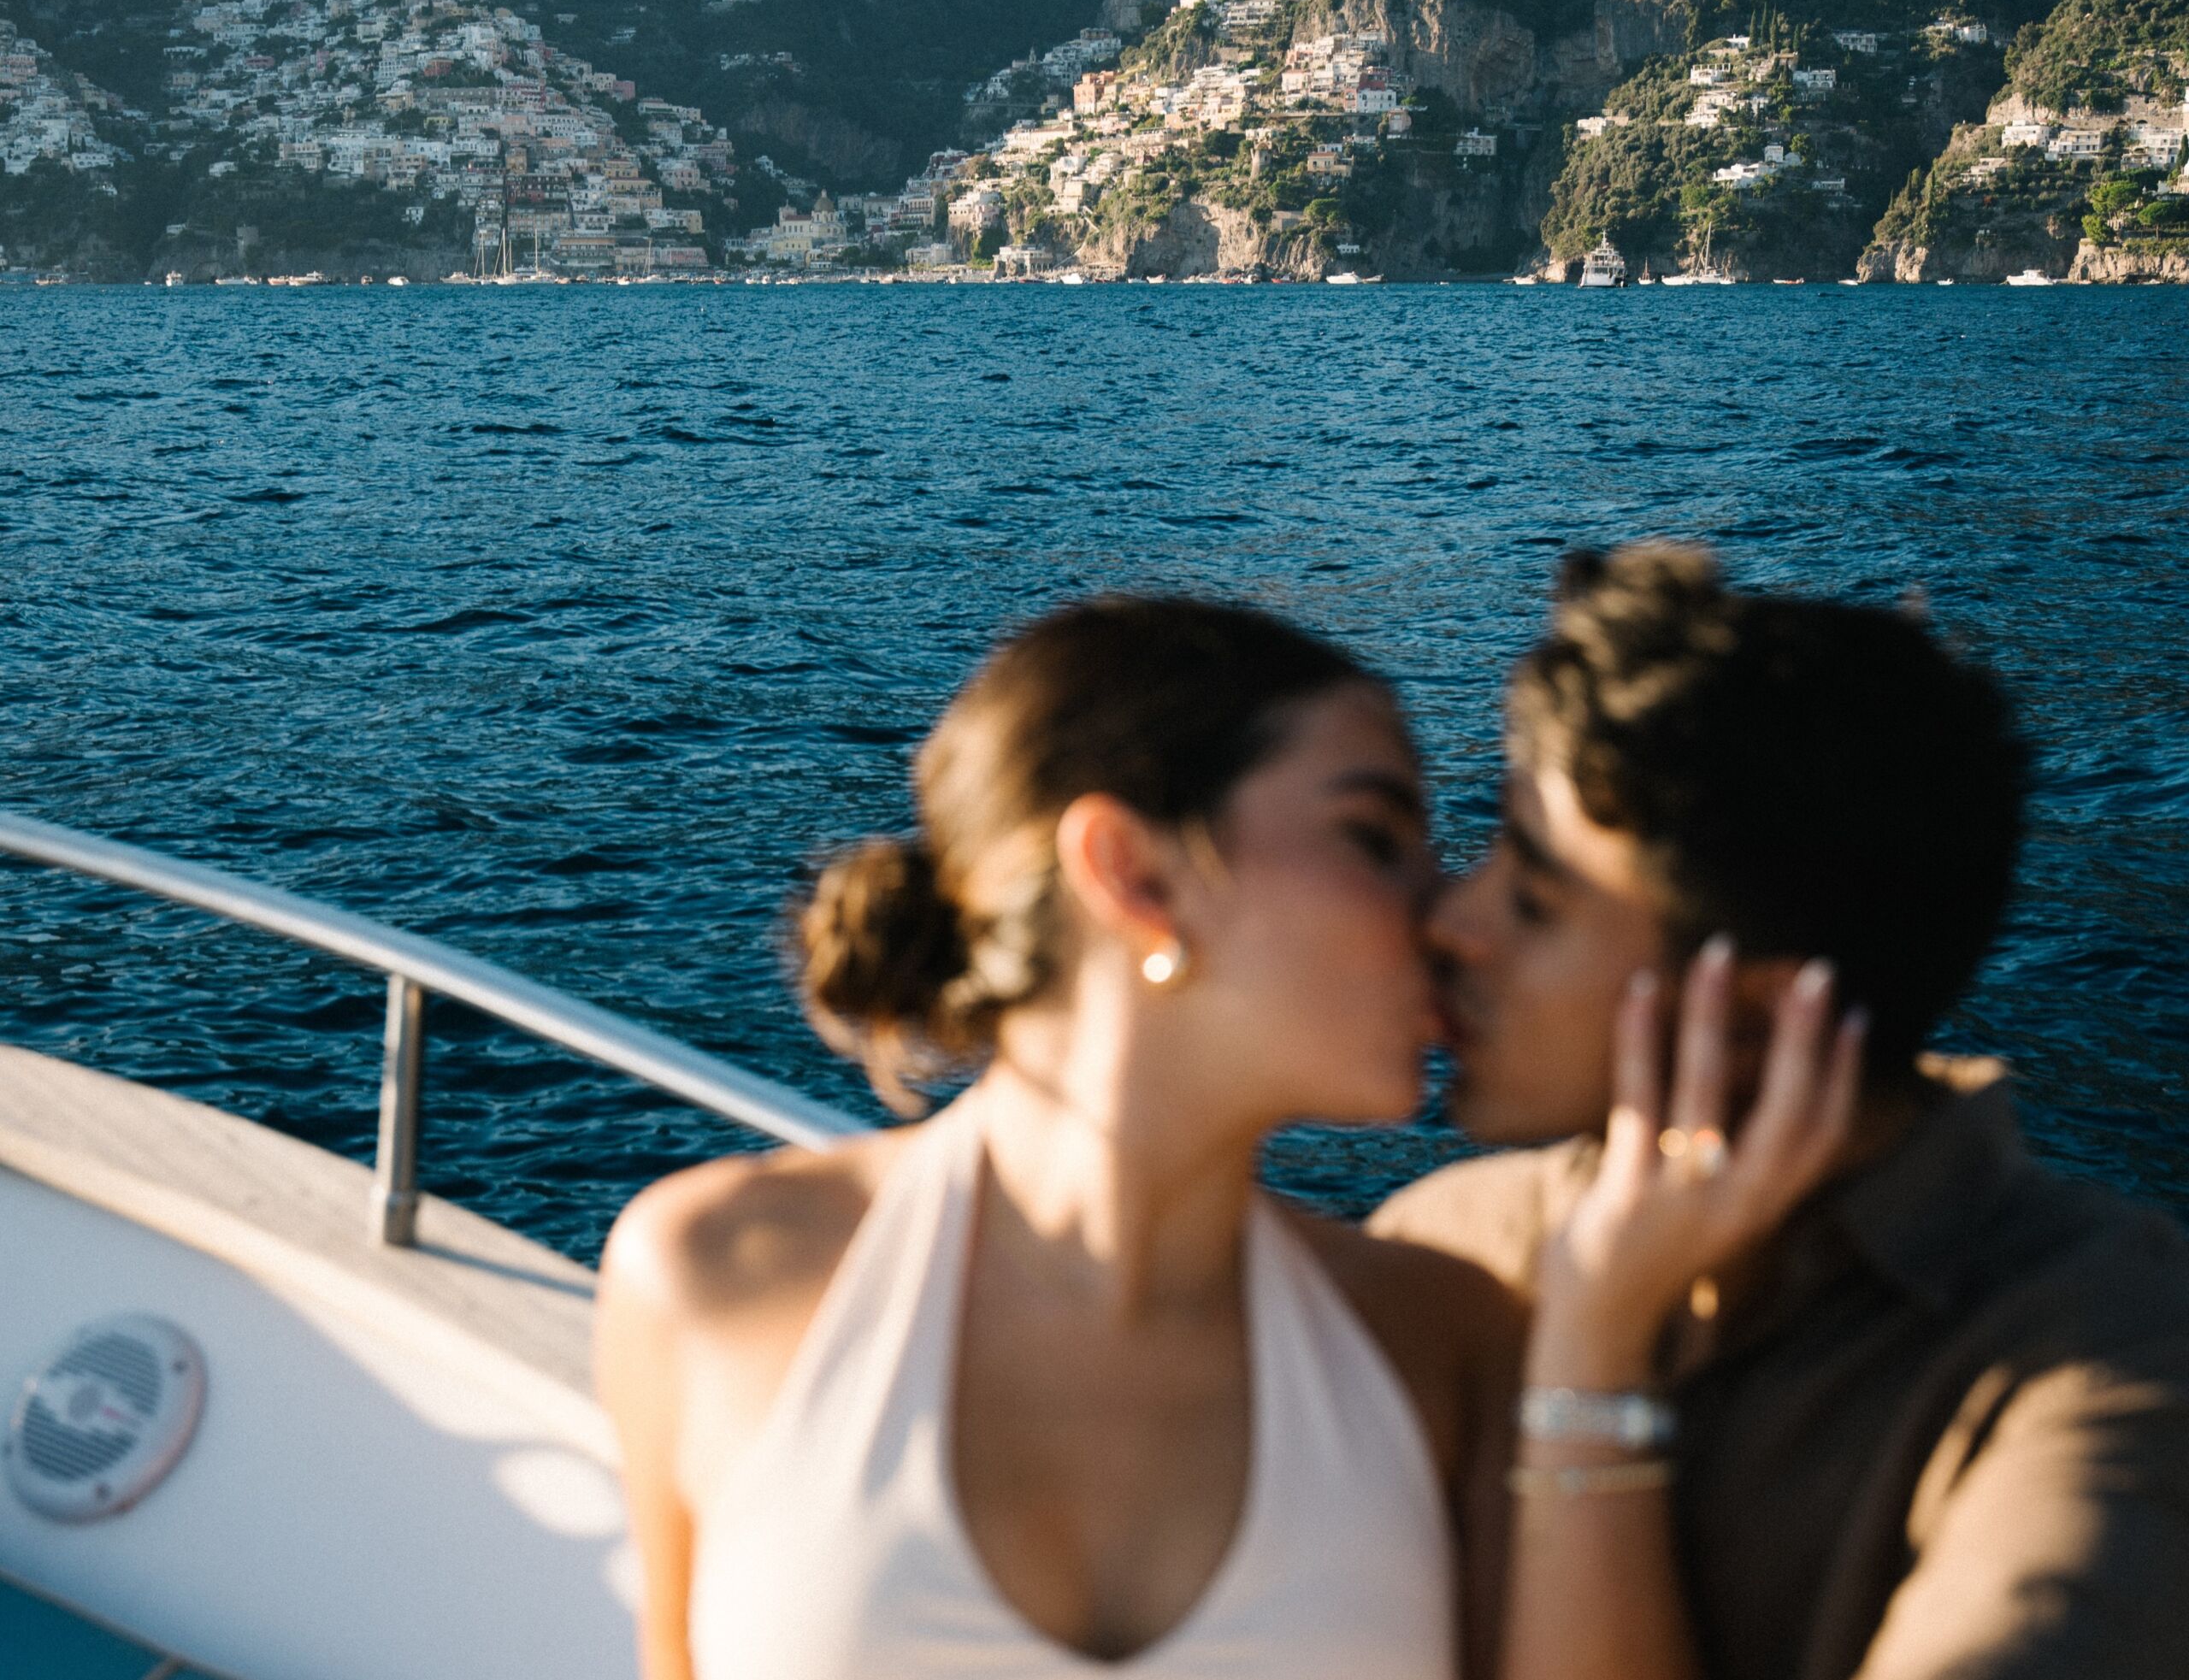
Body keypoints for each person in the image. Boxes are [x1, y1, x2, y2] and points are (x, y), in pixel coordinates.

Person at [594, 592, 1861, 1680]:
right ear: (1137, 876)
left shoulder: (1453, 1346)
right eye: (1374, 837)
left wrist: (1596, 1337)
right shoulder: (706, 1278)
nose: (1445, 915)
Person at [1377, 544, 2189, 1680]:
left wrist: (1591, 1354)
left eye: (1531, 899)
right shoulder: (1442, 1245)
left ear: (1753, 1009)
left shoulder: (2097, 1351)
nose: (1447, 925)